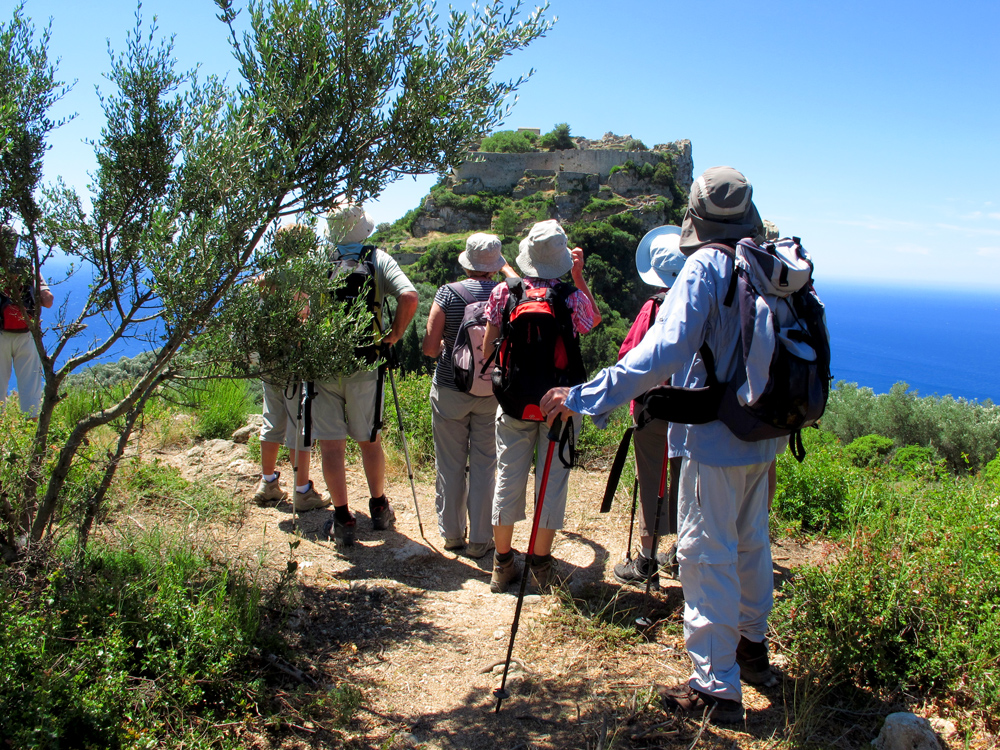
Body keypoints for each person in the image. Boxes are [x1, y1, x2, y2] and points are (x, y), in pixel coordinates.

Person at [540, 167, 780, 724]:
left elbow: (662, 354)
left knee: (704, 553)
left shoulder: (707, 266)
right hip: (763, 431)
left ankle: (714, 686)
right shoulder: (764, 262)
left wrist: (585, 395)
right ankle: (752, 649)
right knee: (751, 544)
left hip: (715, 436)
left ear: (697, 217)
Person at [483, 219, 601, 594]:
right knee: (552, 481)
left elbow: (489, 349)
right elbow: (592, 322)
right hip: (560, 405)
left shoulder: (505, 292)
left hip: (515, 400)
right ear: (562, 260)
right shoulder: (570, 296)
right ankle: (540, 565)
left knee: (507, 476)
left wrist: (505, 382)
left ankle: (502, 565)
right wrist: (579, 278)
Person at [315, 205, 418, 546]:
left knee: (331, 445)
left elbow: (297, 301)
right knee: (369, 440)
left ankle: (343, 518)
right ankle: (378, 508)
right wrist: (394, 334)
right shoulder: (377, 258)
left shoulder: (319, 258)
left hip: (323, 360)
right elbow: (409, 296)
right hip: (366, 359)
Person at [422, 233, 516, 558]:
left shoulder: (448, 294)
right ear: (496, 265)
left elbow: (430, 347)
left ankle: (451, 536)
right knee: (486, 465)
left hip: (451, 388)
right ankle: (480, 540)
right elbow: (518, 284)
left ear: (467, 262)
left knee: (449, 464)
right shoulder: (509, 295)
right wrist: (505, 269)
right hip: (493, 390)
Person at [612, 225, 687, 589]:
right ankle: (685, 556)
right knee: (688, 484)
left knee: (652, 484)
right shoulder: (702, 305)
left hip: (655, 412)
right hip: (695, 412)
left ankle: (646, 563)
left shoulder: (653, 307)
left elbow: (629, 357)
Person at [251, 224, 321, 509]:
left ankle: (268, 483)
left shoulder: (264, 279)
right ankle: (302, 491)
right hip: (295, 359)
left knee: (272, 419)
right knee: (300, 424)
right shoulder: (302, 279)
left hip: (268, 358)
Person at [0, 228, 54, 418]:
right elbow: (48, 300)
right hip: (27, 332)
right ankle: (33, 436)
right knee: (30, 387)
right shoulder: (27, 268)